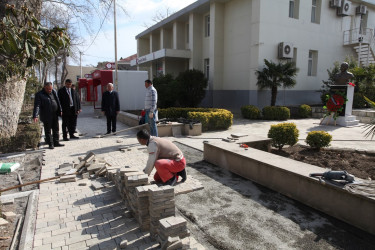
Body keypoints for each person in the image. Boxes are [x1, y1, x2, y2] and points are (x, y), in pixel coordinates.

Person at [33, 82, 64, 149]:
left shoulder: (53, 92)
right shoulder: (39, 94)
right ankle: (50, 144)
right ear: (45, 87)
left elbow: (58, 101)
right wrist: (35, 115)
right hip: (46, 115)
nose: (50, 90)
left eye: (51, 89)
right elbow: (37, 106)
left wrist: (60, 110)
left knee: (56, 129)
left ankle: (56, 142)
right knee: (48, 130)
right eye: (48, 89)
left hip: (55, 114)